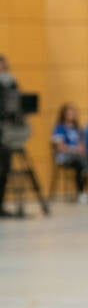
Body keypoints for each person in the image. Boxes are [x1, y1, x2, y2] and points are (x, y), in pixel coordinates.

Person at [51, 103, 88, 204]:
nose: (71, 115)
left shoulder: (78, 129)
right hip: (64, 156)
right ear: (64, 114)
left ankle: (85, 188)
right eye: (69, 113)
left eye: (73, 113)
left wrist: (80, 149)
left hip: (78, 156)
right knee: (80, 163)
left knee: (84, 160)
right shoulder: (59, 128)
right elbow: (59, 146)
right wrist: (73, 150)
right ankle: (81, 192)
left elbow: (82, 145)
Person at [0, 54, 16, 217]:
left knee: (5, 169)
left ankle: (1, 205)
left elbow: (16, 104)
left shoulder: (10, 82)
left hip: (6, 135)